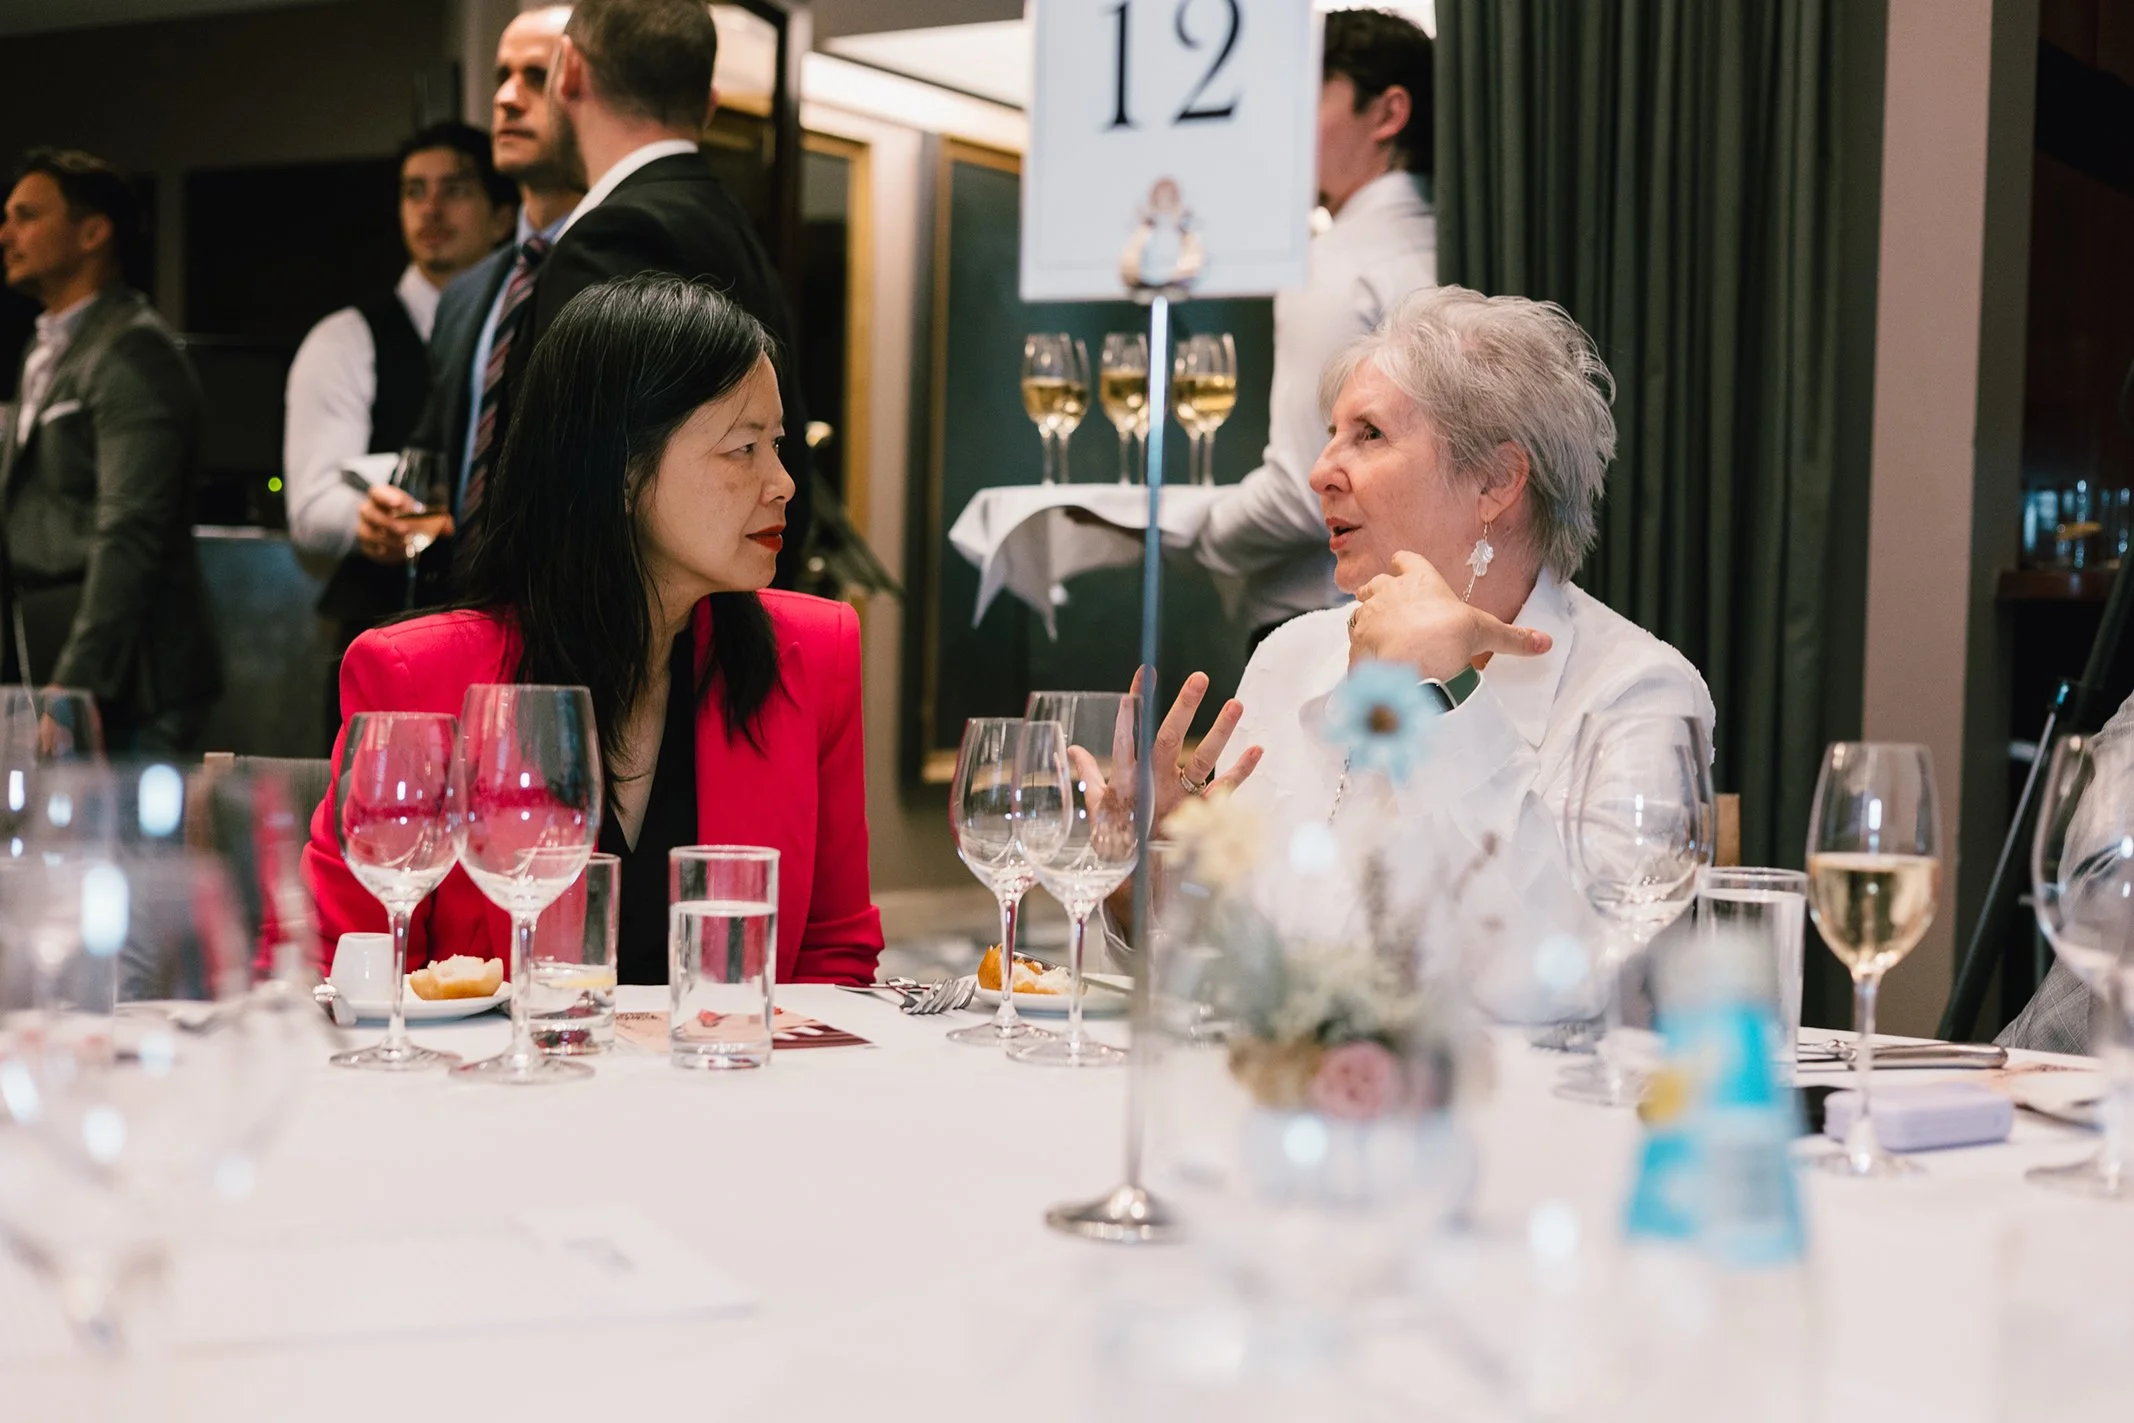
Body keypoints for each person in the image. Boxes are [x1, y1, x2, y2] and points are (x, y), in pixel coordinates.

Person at [301, 274, 881, 987]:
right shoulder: (421, 679)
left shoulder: (813, 655)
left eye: (778, 444)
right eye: (745, 449)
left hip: (727, 1085)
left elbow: (835, 956)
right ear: (622, 470)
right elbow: (338, 963)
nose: (784, 481)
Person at [1151, 285, 1713, 852]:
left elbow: (1595, 936)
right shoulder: (1289, 655)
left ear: (1495, 481)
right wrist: (1148, 884)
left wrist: (1450, 689)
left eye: (1369, 434)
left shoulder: (1638, 692)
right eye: (1332, 436)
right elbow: (1237, 934)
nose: (1320, 472)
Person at [449, 0, 812, 585]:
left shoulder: (612, 237)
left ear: (569, 71)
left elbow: (571, 489)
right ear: (707, 103)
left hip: (610, 635)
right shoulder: (727, 221)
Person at [1189, 7, 1438, 648]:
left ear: (1387, 114)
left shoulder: (1336, 263)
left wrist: (1186, 528)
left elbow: (1307, 492)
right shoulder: (1460, 242)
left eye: (1304, 101)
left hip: (1319, 621)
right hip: (1437, 614)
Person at [283, 122, 515, 738]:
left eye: (455, 189)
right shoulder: (347, 337)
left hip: (499, 638)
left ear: (501, 217)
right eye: (415, 191)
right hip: (381, 634)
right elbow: (309, 503)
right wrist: (368, 520)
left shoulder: (521, 336)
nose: (431, 208)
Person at [0, 148, 221, 751]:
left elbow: (131, 531)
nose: (6, 233)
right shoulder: (46, 347)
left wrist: (75, 688)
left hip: (135, 678)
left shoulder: (133, 349)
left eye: (27, 216)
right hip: (60, 658)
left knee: (126, 846)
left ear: (93, 232)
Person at [414, 4, 586, 538]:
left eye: (536, 77)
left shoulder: (624, 274)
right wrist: (400, 507)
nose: (506, 98)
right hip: (461, 603)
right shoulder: (466, 293)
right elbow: (441, 451)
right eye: (502, 76)